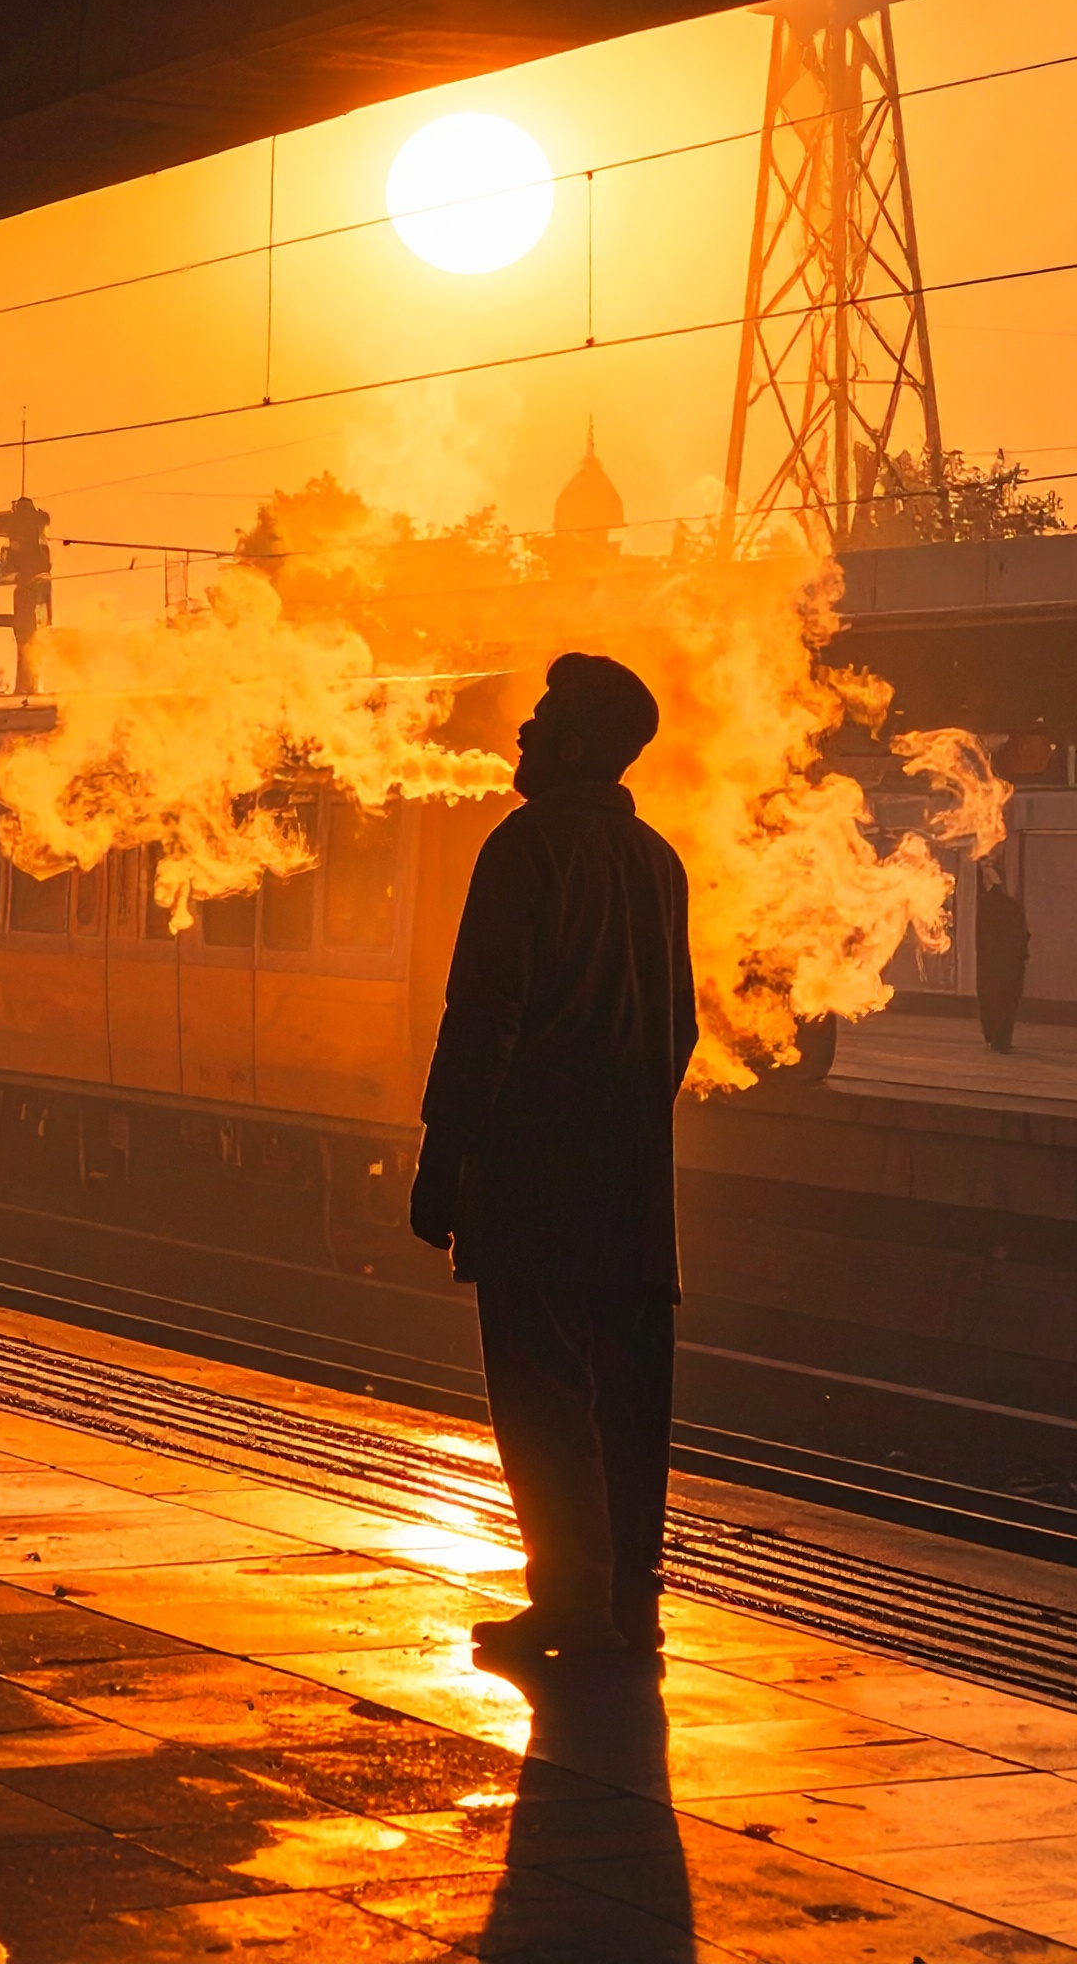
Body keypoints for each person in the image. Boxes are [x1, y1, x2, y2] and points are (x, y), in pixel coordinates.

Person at [411, 652, 696, 1666]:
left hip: (534, 1178)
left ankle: (568, 1601)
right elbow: (680, 1030)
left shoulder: (523, 849)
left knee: (541, 1396)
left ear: (571, 743)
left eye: (537, 723)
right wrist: (628, 1126)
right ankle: (630, 1600)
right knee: (627, 1397)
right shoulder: (657, 861)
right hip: (631, 1186)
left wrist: (446, 1154)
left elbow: (483, 1014)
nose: (521, 736)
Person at [974, 858, 1029, 1054]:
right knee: (1007, 1002)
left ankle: (993, 1037)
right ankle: (1002, 1038)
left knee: (991, 1001)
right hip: (1010, 964)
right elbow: (1023, 935)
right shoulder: (1011, 905)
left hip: (990, 963)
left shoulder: (985, 906)